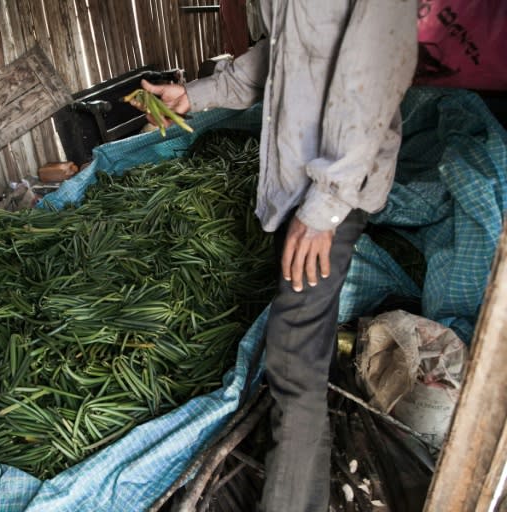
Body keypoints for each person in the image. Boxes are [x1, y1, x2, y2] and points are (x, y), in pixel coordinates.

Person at [142, 1, 417, 510]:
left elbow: (378, 68)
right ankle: (314, 453)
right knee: (303, 345)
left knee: (292, 362)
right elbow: (283, 55)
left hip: (326, 195)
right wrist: (194, 94)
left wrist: (324, 209)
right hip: (296, 190)